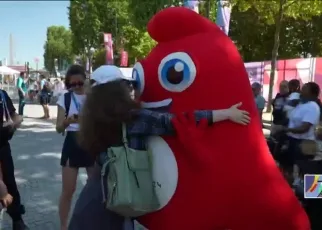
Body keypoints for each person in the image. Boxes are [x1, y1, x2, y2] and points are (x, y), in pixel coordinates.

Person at [68, 65, 250, 230]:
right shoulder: (133, 118)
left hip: (93, 197)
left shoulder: (92, 120)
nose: (130, 89)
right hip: (118, 199)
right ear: (117, 91)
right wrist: (226, 113)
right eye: (127, 86)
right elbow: (181, 121)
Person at [55, 65, 95, 230]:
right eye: (73, 84)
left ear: (85, 79)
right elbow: (58, 128)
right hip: (72, 142)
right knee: (68, 190)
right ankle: (64, 226)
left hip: (91, 141)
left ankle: (94, 223)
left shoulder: (93, 97)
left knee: (95, 188)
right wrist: (67, 121)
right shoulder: (64, 98)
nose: (77, 87)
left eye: (80, 82)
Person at [275, 82, 321, 182]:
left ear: (312, 93)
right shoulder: (301, 104)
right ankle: (292, 190)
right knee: (289, 167)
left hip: (304, 143)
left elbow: (304, 128)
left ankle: (313, 196)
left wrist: (285, 129)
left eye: (305, 89)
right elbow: (292, 119)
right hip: (293, 140)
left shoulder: (313, 107)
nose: (301, 90)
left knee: (307, 172)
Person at [0, 89, 29, 230]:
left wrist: (17, 120)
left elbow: (14, 115)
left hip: (3, 148)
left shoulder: (2, 94)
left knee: (10, 184)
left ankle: (17, 220)